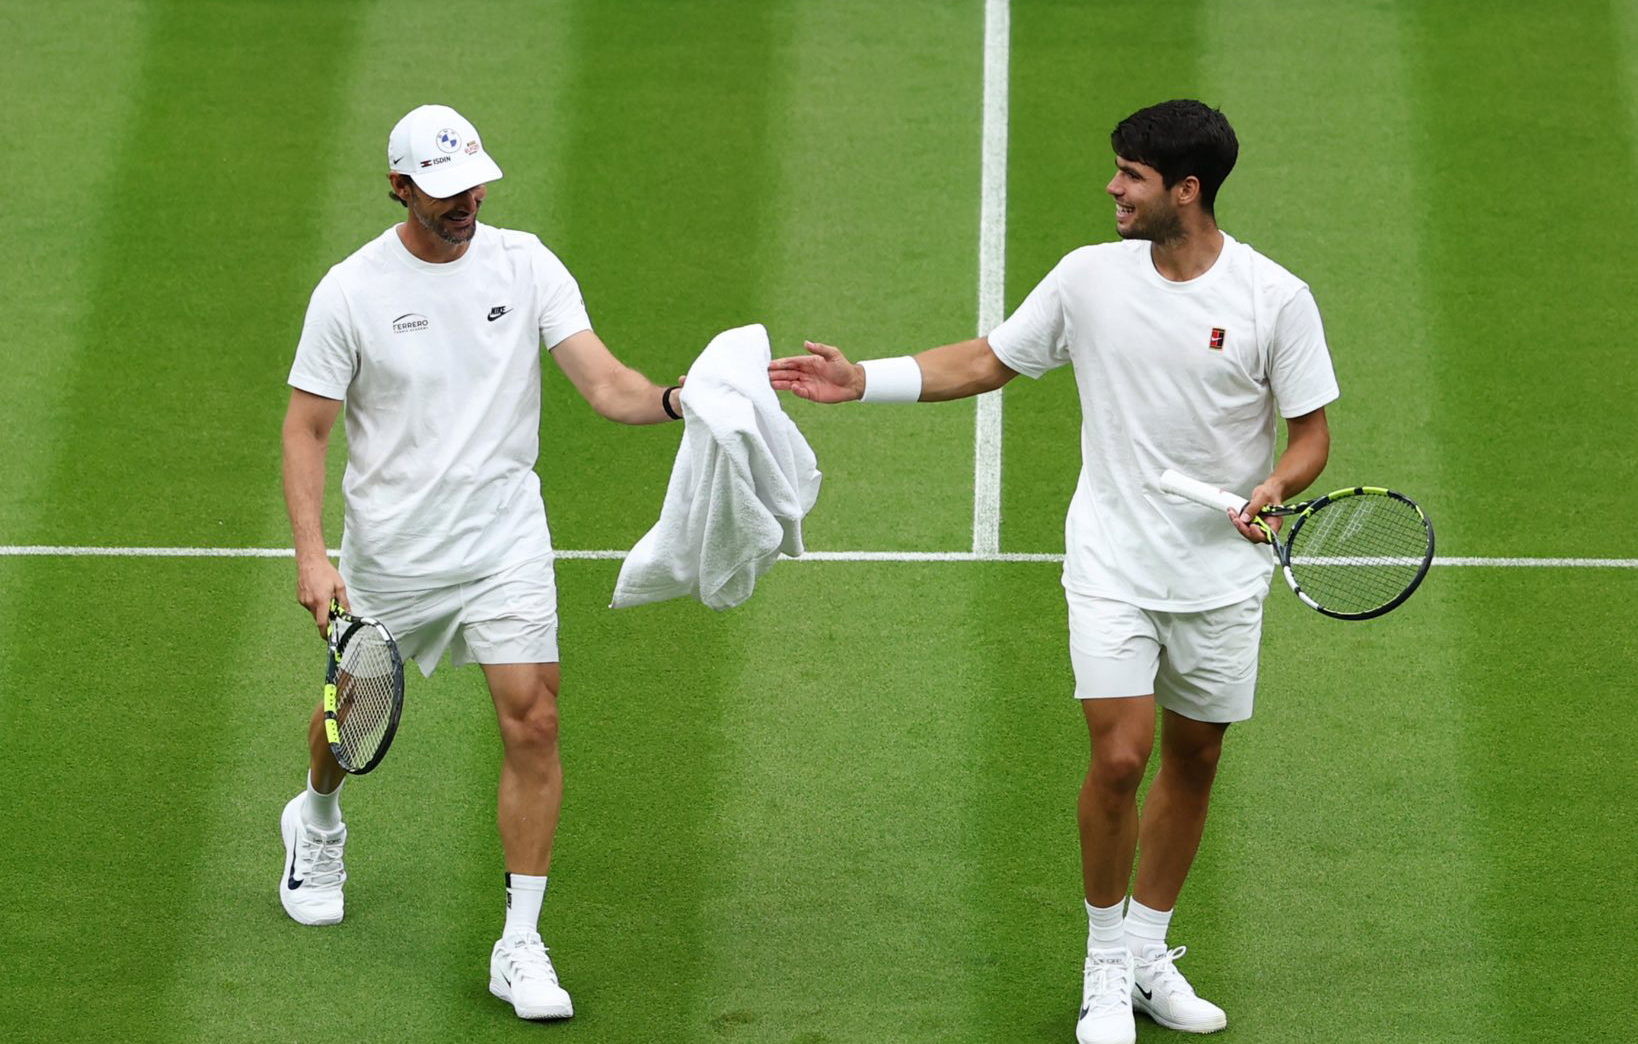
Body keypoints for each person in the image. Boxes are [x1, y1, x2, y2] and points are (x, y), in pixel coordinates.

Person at [769, 99, 1338, 1044]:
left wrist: (1276, 483)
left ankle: (1149, 954)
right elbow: (989, 360)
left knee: (1196, 760)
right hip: (1111, 560)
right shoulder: (1087, 279)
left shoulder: (1274, 298)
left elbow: (1311, 434)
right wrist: (863, 379)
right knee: (1119, 758)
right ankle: (1105, 962)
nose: (1112, 187)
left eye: (1132, 175)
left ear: (1186, 189)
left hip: (1220, 577)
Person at [279, 103, 684, 1021]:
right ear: (399, 187)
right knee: (351, 720)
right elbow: (307, 429)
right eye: (445, 190)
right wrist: (312, 556)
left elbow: (607, 384)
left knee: (534, 720)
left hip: (504, 542)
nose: (466, 202)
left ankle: (520, 943)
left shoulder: (526, 265)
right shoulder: (350, 291)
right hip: (396, 551)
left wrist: (676, 400)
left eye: (474, 185)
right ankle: (317, 819)